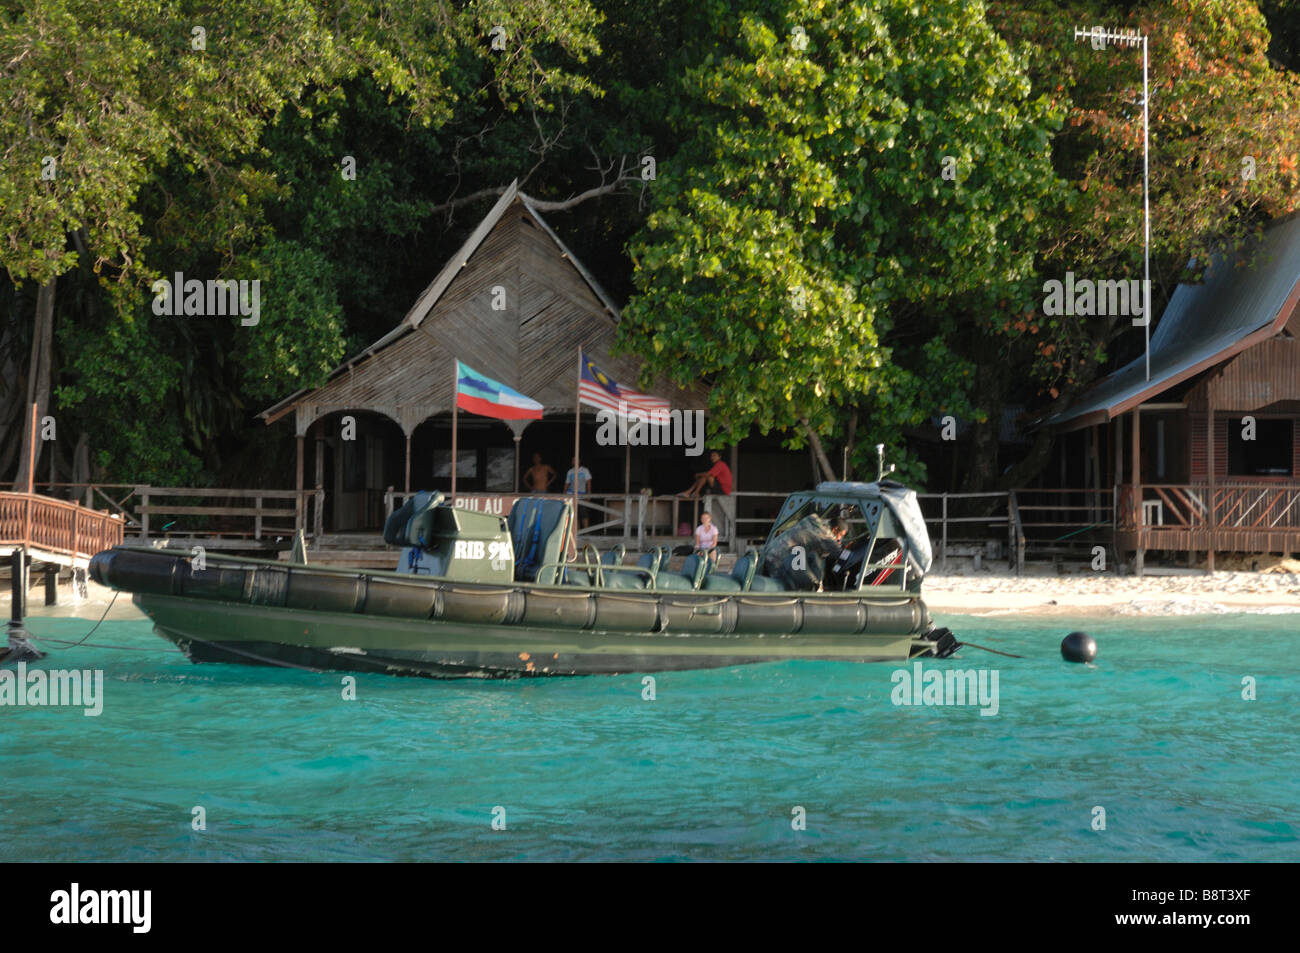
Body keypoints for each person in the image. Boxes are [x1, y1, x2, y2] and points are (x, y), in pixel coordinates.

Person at [565, 457, 593, 528]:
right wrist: (564, 495)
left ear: (579, 461)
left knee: (584, 514)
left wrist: (588, 495)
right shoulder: (570, 471)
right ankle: (577, 532)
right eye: (573, 460)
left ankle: (586, 532)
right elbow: (567, 484)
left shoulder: (585, 470)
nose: (574, 461)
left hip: (582, 495)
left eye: (576, 460)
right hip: (571, 495)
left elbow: (588, 483)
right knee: (574, 515)